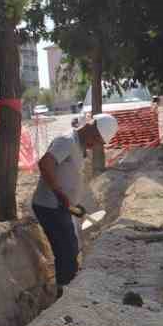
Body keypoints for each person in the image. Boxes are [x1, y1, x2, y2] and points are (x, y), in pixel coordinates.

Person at [32, 113, 118, 292]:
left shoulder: (78, 146)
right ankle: (64, 295)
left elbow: (66, 176)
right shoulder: (67, 141)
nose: (94, 144)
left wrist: (72, 203)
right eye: (95, 139)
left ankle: (67, 289)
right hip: (49, 206)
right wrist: (59, 194)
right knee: (66, 251)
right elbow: (45, 164)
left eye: (98, 142)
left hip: (59, 205)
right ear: (90, 127)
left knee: (70, 247)